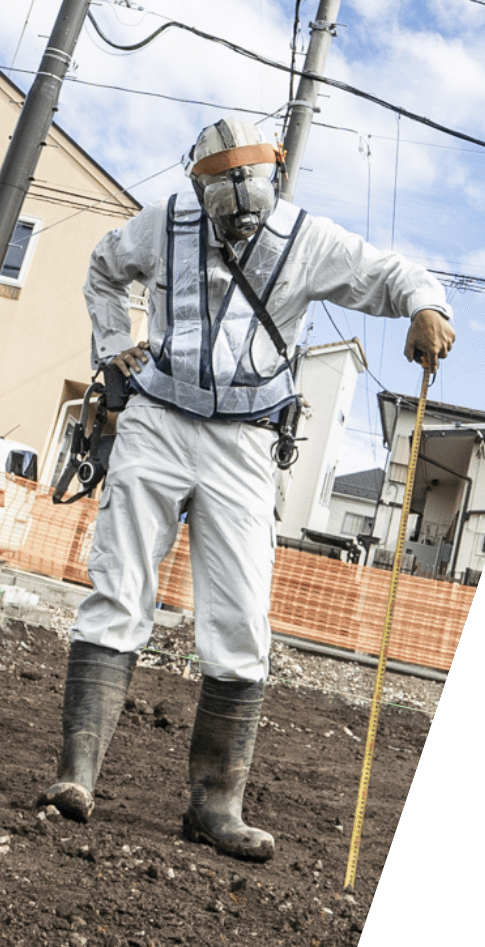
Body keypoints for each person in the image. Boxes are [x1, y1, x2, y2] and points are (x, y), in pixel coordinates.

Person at [43, 117, 454, 861]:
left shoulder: (307, 239)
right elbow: (104, 269)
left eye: (248, 211)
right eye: (221, 212)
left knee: (239, 618)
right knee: (119, 587)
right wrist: (113, 348)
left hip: (245, 442)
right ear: (199, 189)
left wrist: (428, 306)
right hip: (157, 420)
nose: (234, 225)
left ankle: (215, 806)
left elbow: (390, 273)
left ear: (273, 184)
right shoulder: (164, 220)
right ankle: (76, 778)